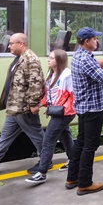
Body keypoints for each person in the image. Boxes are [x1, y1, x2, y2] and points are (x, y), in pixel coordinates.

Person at [0, 33, 45, 174]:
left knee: (37, 136)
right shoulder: (19, 59)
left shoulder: (31, 59)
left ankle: (45, 161)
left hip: (24, 108)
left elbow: (36, 84)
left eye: (12, 43)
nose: (9, 46)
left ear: (21, 44)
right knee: (5, 136)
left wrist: (33, 104)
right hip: (14, 107)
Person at [67, 27, 103, 195]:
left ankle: (72, 178)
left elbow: (96, 66)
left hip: (83, 107)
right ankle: (84, 183)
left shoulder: (79, 55)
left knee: (81, 141)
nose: (97, 41)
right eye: (95, 39)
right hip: (93, 108)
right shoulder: (86, 59)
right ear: (87, 41)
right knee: (90, 145)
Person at [25, 49, 75, 184]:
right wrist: (40, 105)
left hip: (64, 113)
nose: (48, 59)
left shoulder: (67, 75)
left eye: (52, 58)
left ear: (59, 60)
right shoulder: (51, 73)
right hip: (56, 111)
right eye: (49, 57)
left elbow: (73, 95)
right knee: (65, 135)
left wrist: (64, 109)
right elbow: (49, 95)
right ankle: (74, 161)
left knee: (48, 140)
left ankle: (42, 172)